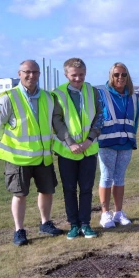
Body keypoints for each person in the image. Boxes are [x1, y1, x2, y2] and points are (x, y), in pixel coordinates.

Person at [0, 60, 64, 246]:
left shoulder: (49, 97)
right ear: (20, 73)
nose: (31, 75)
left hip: (43, 156)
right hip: (18, 158)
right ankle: (19, 230)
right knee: (19, 194)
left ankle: (45, 223)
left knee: (47, 191)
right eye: (27, 72)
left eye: (35, 72)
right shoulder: (8, 97)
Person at [52, 57, 103, 240]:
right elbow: (56, 120)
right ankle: (73, 225)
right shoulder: (57, 94)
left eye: (81, 74)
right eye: (73, 75)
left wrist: (89, 140)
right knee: (69, 189)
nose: (77, 78)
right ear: (66, 75)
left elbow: (100, 115)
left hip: (89, 149)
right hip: (67, 152)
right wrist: (70, 142)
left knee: (87, 189)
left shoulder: (93, 91)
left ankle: (86, 224)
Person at [97, 62, 139, 228]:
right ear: (111, 76)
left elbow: (134, 120)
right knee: (106, 177)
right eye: (116, 75)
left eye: (123, 74)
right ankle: (105, 213)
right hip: (107, 142)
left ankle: (118, 212)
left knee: (120, 178)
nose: (120, 78)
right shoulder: (102, 93)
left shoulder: (133, 97)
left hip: (126, 143)